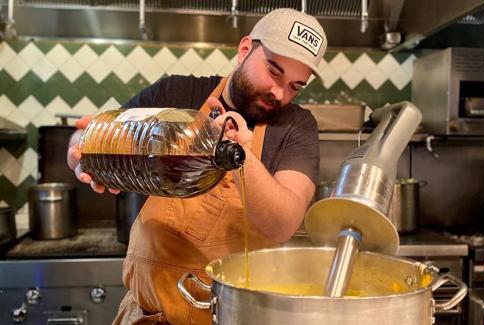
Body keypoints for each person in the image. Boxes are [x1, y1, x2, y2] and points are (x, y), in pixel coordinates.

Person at [67, 8, 327, 324]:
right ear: (245, 49)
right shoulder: (175, 94)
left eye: (295, 86)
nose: (279, 93)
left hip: (234, 318)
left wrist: (239, 155)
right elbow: (98, 134)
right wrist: (78, 150)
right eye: (274, 71)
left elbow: (283, 223)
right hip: (148, 316)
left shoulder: (297, 127)